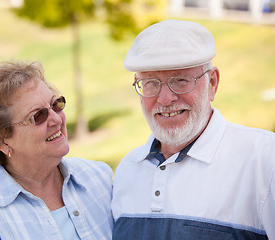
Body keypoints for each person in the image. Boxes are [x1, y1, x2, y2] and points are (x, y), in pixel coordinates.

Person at [111, 19, 275, 240]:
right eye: (150, 83)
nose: (165, 99)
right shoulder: (127, 171)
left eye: (180, 80)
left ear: (212, 83)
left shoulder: (264, 161)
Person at [0, 60, 113, 239]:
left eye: (56, 105)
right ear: (0, 139)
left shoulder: (99, 178)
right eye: (38, 116)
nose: (57, 120)